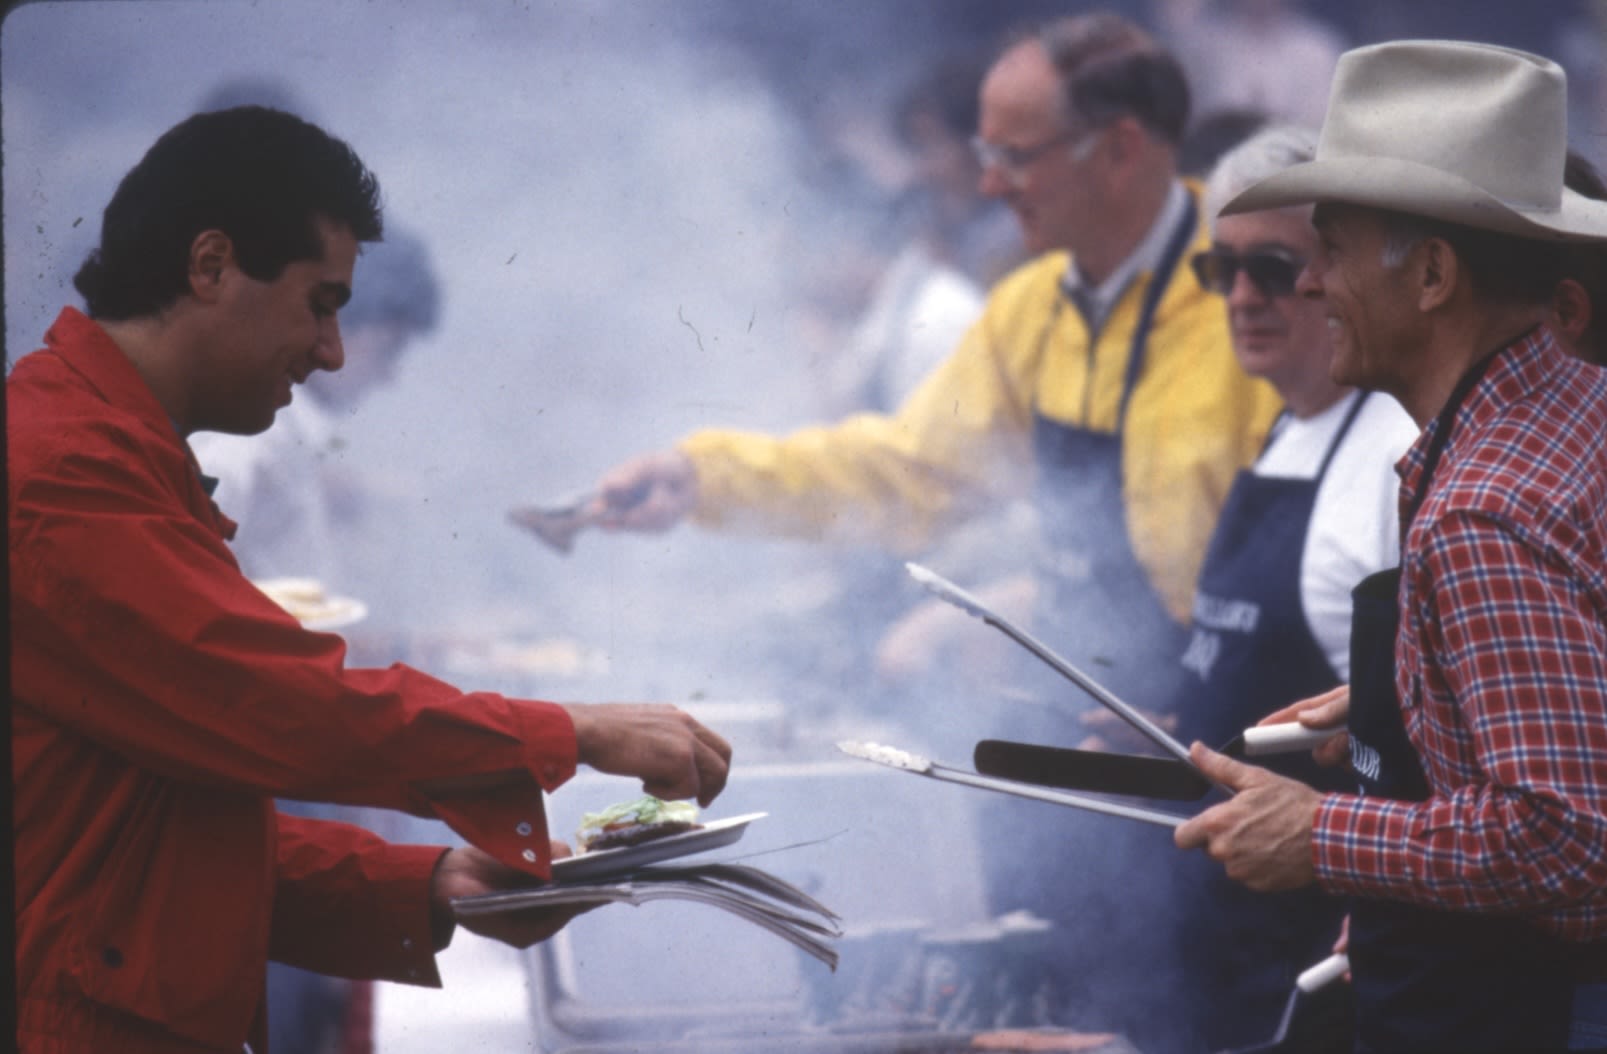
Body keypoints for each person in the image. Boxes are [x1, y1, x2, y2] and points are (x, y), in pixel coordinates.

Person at [10, 105, 733, 1054]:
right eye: (320, 302)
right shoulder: (59, 467)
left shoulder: (124, 450)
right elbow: (272, 703)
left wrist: (424, 884)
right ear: (211, 265)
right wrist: (573, 730)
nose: (331, 351)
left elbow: (158, 839)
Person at [551, 10, 1280, 724]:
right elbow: (911, 469)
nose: (990, 185)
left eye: (1015, 158)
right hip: (1088, 723)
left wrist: (1204, 710)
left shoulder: (1259, 293)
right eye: (986, 156)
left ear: (1120, 149)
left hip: (1234, 740)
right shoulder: (1031, 308)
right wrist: (705, 476)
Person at [1171, 40, 1607, 1052]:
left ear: (1430, 272)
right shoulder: (1572, 408)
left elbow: (1567, 834)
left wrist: (1317, 831)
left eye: (1326, 248)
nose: (1310, 283)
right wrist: (1408, 698)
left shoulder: (1483, 510)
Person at [1163, 123, 1418, 1053]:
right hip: (1227, 921)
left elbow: (1430, 745)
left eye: (1273, 267)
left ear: (1333, 269)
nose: (1242, 297)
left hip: (1328, 933)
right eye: (1217, 269)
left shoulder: (1394, 450)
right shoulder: (1288, 427)